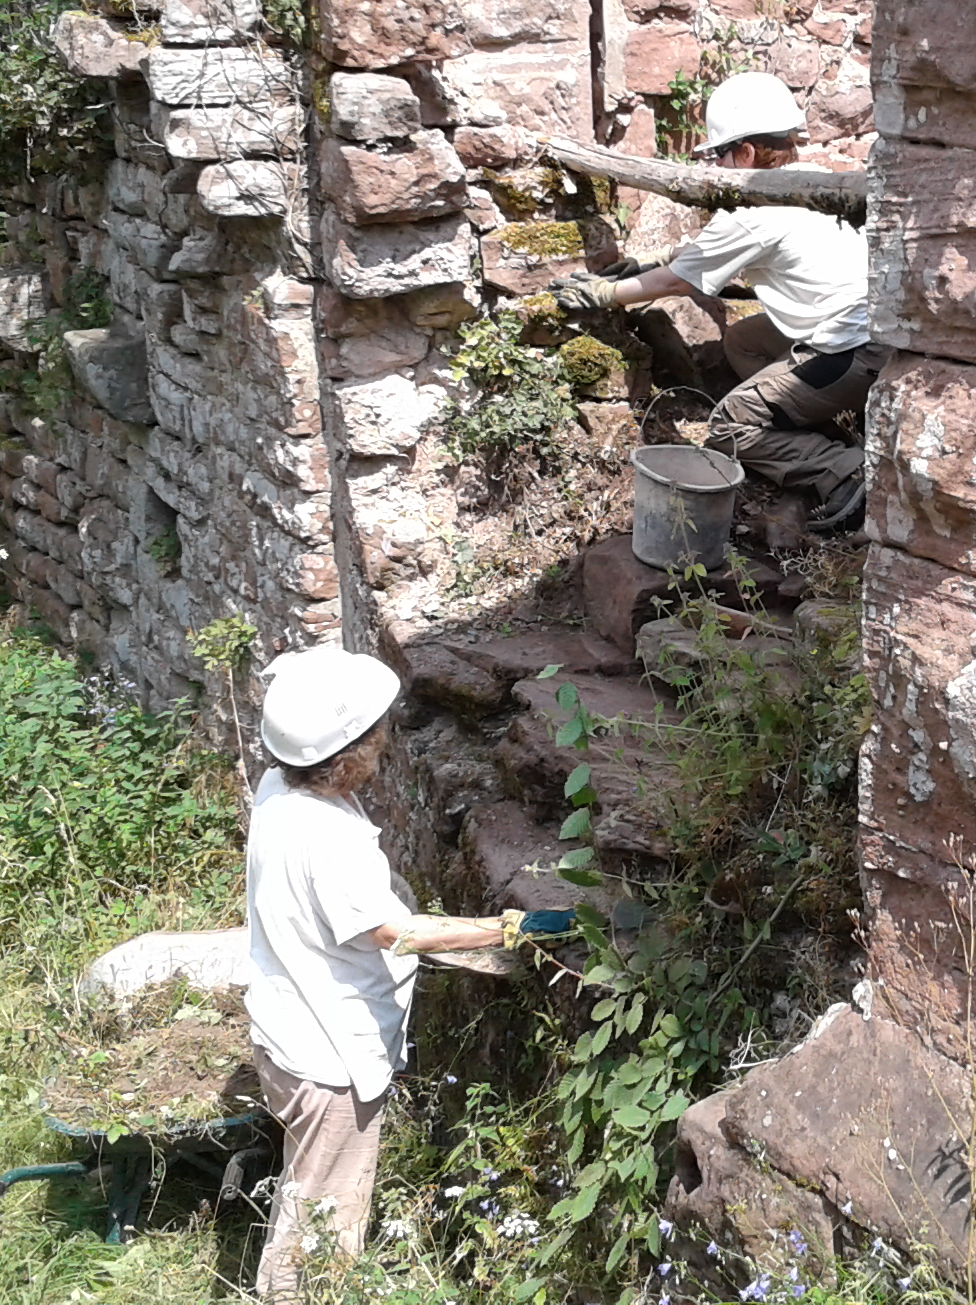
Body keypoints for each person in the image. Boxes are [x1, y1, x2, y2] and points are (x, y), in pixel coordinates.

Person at [242, 645, 561, 1297]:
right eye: (376, 731)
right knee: (321, 1227)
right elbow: (397, 932)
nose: (386, 738)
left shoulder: (279, 788)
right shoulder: (328, 841)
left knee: (306, 1182)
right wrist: (511, 928)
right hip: (330, 1059)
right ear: (347, 755)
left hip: (283, 1029)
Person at [553, 72, 879, 531]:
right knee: (745, 340)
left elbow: (676, 284)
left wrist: (604, 294)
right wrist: (650, 259)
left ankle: (846, 472)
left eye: (719, 154)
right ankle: (816, 431)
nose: (716, 167)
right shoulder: (814, 182)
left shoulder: (755, 211)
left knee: (729, 425)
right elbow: (704, 254)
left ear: (745, 153)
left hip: (846, 351)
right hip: (873, 336)